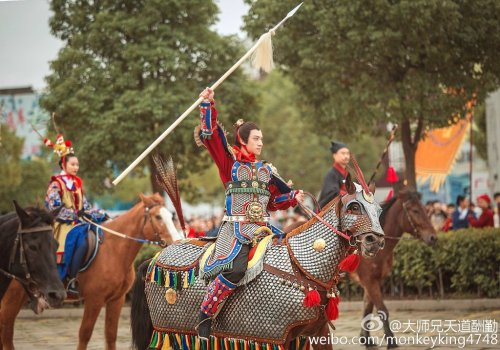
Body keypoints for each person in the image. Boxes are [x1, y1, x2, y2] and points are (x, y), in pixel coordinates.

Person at [195, 88, 304, 340]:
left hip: (263, 229)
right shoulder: (230, 164)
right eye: (256, 138)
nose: (261, 143)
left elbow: (274, 201)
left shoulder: (266, 170)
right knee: (235, 270)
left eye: (262, 139)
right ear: (243, 140)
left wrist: (292, 197)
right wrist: (208, 105)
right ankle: (206, 313)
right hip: (235, 230)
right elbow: (211, 137)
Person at [44, 135, 106, 292]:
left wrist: (101, 214)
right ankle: (71, 278)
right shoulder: (56, 183)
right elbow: (53, 208)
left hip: (78, 222)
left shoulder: (77, 184)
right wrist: (75, 214)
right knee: (83, 242)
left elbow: (85, 206)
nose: (76, 167)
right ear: (64, 164)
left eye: (77, 164)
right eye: (73, 164)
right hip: (62, 225)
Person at [318, 141, 350, 208]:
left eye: (347, 153)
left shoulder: (347, 174)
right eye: (343, 153)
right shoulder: (331, 174)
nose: (346, 156)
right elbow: (332, 194)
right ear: (335, 155)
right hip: (329, 211)